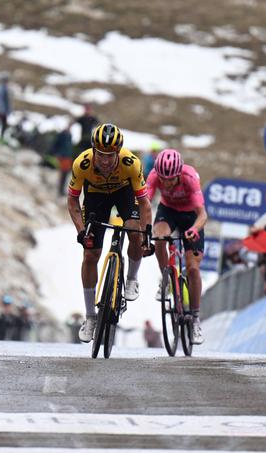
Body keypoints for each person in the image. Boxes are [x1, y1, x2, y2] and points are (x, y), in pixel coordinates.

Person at [67, 123, 152, 343]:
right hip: (95, 197)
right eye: (101, 155)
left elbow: (144, 203)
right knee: (90, 255)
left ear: (118, 152)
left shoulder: (131, 163)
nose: (105, 161)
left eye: (110, 155)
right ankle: (90, 317)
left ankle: (132, 278)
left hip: (124, 192)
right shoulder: (82, 164)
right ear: (94, 151)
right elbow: (73, 199)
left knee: (135, 232)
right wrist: (80, 231)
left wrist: (147, 233)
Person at [146, 149, 207, 344]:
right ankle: (166, 279)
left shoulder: (189, 177)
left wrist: (195, 229)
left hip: (191, 216)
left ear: (179, 173)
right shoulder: (155, 175)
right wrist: (143, 228)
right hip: (168, 211)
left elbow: (202, 215)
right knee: (159, 237)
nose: (166, 183)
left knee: (193, 268)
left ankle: (196, 319)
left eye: (171, 179)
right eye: (162, 179)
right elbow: (145, 203)